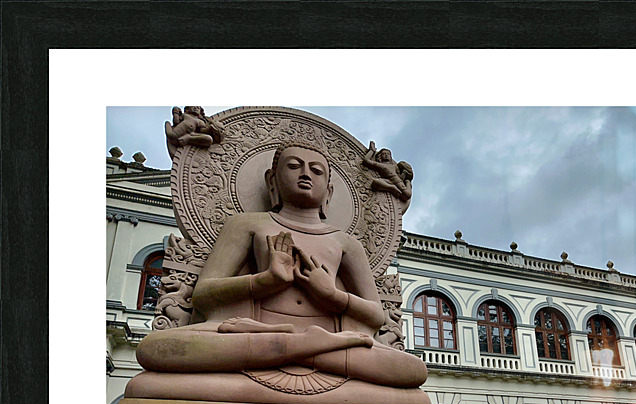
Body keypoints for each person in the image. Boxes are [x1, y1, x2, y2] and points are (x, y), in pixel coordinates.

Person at [136, 140, 427, 388]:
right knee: (156, 349)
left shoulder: (346, 243)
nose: (305, 174)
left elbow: (376, 315)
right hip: (258, 333)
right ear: (272, 181)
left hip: (314, 337)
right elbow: (203, 295)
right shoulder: (247, 224)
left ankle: (297, 346)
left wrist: (331, 294)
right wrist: (267, 280)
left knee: (413, 370)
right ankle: (311, 347)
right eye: (293, 166)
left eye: (316, 170)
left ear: (329, 191)